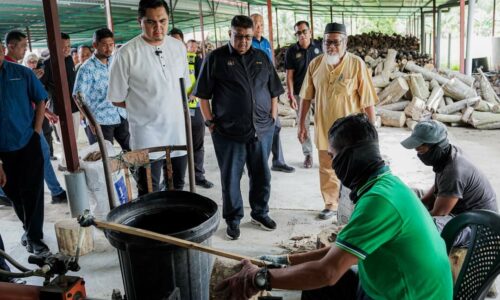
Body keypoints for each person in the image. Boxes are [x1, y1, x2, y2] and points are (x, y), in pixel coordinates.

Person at [215, 114, 453, 300]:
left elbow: (327, 272)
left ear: (350, 157)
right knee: (315, 288)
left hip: (409, 296)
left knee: (321, 280)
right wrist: (285, 261)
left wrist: (259, 278)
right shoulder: (383, 185)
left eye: (333, 156)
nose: (332, 164)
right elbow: (338, 250)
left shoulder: (379, 202)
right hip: (391, 287)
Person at [193, 15, 284, 240]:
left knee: (262, 175)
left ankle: (260, 212)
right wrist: (210, 122)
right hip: (228, 133)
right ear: (229, 34)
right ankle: (233, 219)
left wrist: (272, 119)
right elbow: (203, 95)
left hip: (262, 130)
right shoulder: (215, 58)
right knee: (231, 177)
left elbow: (274, 91)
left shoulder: (262, 57)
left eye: (248, 37)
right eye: (238, 36)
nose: (243, 41)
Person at [108, 0, 190, 194]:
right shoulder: (126, 53)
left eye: (162, 21)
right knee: (148, 189)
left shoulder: (178, 47)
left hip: (177, 130)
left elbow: (182, 87)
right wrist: (145, 106)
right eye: (151, 22)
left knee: (177, 186)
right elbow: (116, 97)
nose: (158, 27)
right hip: (146, 134)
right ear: (140, 21)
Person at [299, 23, 377, 220]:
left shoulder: (356, 63)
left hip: (352, 133)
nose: (331, 46)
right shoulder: (315, 65)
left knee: (355, 168)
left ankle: (356, 203)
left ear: (345, 42)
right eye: (327, 42)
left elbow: (367, 101)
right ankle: (330, 204)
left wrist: (372, 131)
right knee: (327, 168)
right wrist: (301, 125)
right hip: (324, 128)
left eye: (335, 42)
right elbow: (305, 97)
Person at [0, 39, 50, 255]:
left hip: (27, 143)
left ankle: (35, 239)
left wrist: (36, 131)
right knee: (13, 194)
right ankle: (28, 231)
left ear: (2, 50)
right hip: (2, 153)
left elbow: (40, 100)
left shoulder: (22, 73)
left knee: (33, 193)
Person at [401, 120, 498, 220]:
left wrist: (410, 217)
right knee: (411, 194)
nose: (418, 154)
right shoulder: (447, 154)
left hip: (477, 223)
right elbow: (440, 186)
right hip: (459, 207)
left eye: (420, 150)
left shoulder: (453, 171)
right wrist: (421, 202)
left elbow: (438, 214)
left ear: (437, 147)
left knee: (426, 224)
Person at [21, 52, 68, 205]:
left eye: (35, 61)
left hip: (33, 118)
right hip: (24, 122)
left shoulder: (28, 75)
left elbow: (36, 99)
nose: (33, 64)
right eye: (30, 61)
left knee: (43, 154)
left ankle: (56, 191)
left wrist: (46, 112)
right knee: (28, 158)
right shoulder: (19, 74)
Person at [250, 13, 294, 173]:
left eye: (261, 24)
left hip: (268, 91)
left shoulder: (266, 43)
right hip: (255, 95)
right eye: (255, 23)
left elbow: (271, 69)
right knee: (254, 130)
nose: (259, 27)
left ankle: (278, 160)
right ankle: (250, 163)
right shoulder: (248, 43)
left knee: (275, 125)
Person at [74, 28, 130, 151]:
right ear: (95, 45)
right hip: (100, 121)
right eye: (104, 45)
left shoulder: (115, 61)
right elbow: (77, 96)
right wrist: (91, 121)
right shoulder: (86, 69)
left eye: (111, 45)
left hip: (120, 115)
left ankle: (136, 171)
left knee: (132, 152)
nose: (109, 48)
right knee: (104, 159)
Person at [285, 21, 322, 168]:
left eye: (304, 31)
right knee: (303, 124)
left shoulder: (320, 47)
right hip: (301, 94)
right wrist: (291, 95)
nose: (302, 35)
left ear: (310, 32)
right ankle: (308, 155)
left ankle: (328, 153)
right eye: (298, 33)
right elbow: (289, 76)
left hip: (319, 93)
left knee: (323, 123)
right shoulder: (292, 51)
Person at [41, 32, 80, 170]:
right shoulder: (47, 64)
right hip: (58, 110)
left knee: (73, 139)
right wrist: (45, 111)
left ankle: (70, 161)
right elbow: (40, 89)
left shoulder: (69, 60)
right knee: (65, 140)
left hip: (74, 108)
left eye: (68, 46)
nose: (67, 49)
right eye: (63, 47)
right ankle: (66, 164)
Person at [185, 39, 214, 189]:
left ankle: (198, 176)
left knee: (197, 144)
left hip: (193, 107)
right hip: (174, 111)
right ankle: (174, 178)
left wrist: (193, 93)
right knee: (176, 145)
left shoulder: (197, 60)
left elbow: (200, 79)